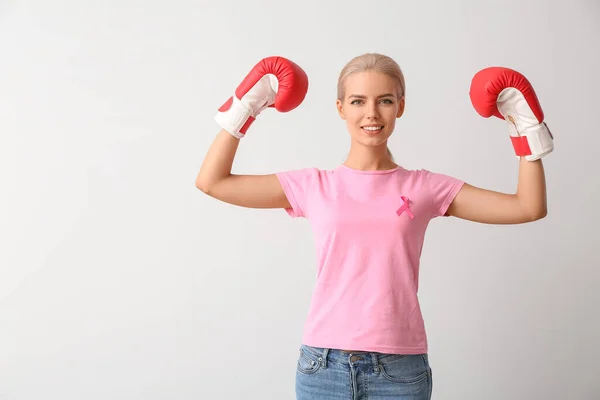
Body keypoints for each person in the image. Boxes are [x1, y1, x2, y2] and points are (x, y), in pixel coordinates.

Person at [196, 54, 552, 400]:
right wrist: (245, 108)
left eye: (384, 100)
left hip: (399, 370)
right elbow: (213, 182)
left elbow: (527, 207)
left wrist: (526, 129)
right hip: (322, 367)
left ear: (400, 106)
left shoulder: (424, 187)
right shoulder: (313, 186)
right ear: (340, 109)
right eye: (357, 101)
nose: (371, 113)